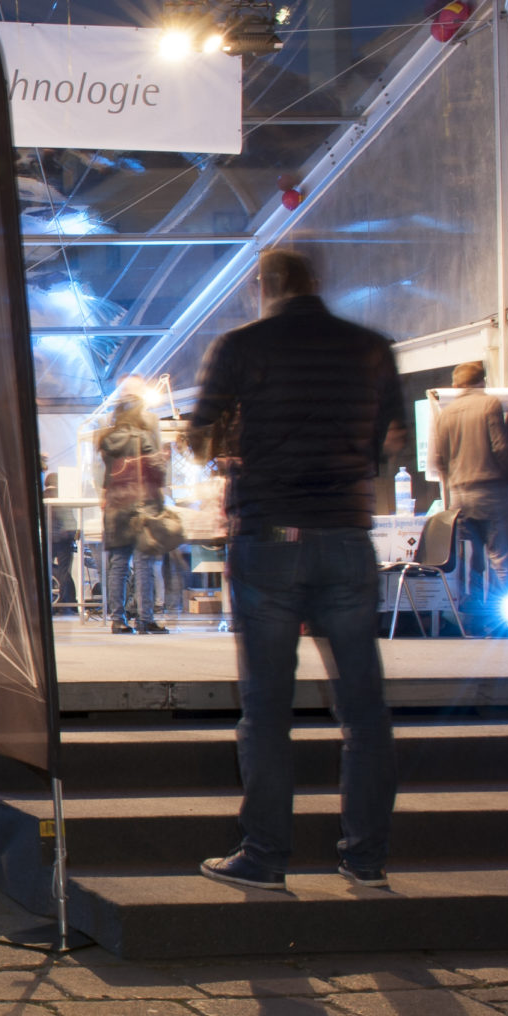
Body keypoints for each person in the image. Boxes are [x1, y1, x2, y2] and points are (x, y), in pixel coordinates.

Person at [187, 248, 405, 892]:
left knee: (266, 709)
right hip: (346, 535)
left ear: (265, 286)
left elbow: (200, 437)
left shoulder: (239, 346)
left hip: (271, 535)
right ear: (316, 282)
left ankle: (265, 855)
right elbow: (386, 443)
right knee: (364, 710)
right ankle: (365, 858)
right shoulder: (371, 348)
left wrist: (236, 447)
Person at [428, 360, 508, 631]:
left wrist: (454, 484)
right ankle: (499, 620)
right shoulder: (489, 404)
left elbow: (438, 459)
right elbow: (501, 447)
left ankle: (473, 617)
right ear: (482, 381)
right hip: (491, 492)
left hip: (460, 497)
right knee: (501, 558)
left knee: (472, 559)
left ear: (456, 385)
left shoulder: (446, 413)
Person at [93, 390, 169, 635]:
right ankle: (145, 619)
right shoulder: (142, 437)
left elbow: (104, 476)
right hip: (140, 506)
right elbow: (156, 472)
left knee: (118, 565)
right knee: (144, 562)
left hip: (115, 508)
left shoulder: (106, 440)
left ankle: (118, 619)